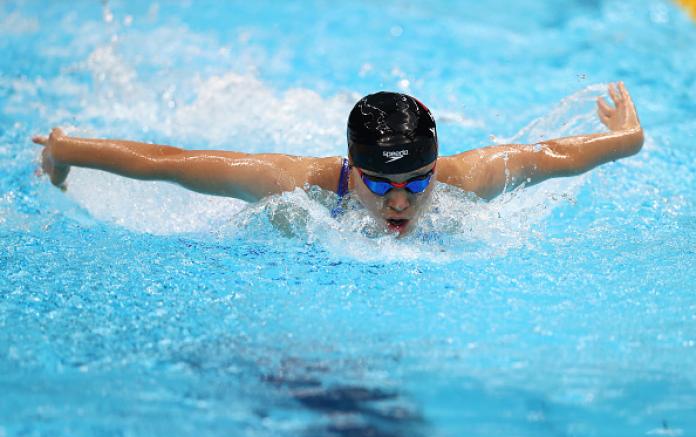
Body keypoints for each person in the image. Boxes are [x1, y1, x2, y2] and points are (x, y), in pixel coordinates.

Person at [33, 82, 643, 236]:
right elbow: (170, 160)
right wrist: (67, 150)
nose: (400, 201)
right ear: (352, 173)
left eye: (416, 181)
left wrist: (626, 139)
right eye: (380, 186)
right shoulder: (293, 185)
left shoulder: (468, 180)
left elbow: (559, 154)